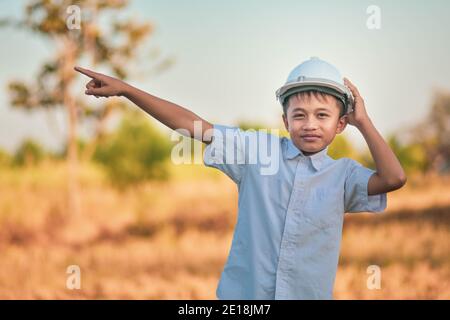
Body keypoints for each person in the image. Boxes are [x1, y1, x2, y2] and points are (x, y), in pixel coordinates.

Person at [74, 56, 407, 299]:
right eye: (299, 115)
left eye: (323, 116)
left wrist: (364, 121)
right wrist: (127, 91)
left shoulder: (343, 176)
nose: (310, 124)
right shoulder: (256, 151)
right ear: (285, 120)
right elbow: (194, 126)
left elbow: (393, 178)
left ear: (340, 124)